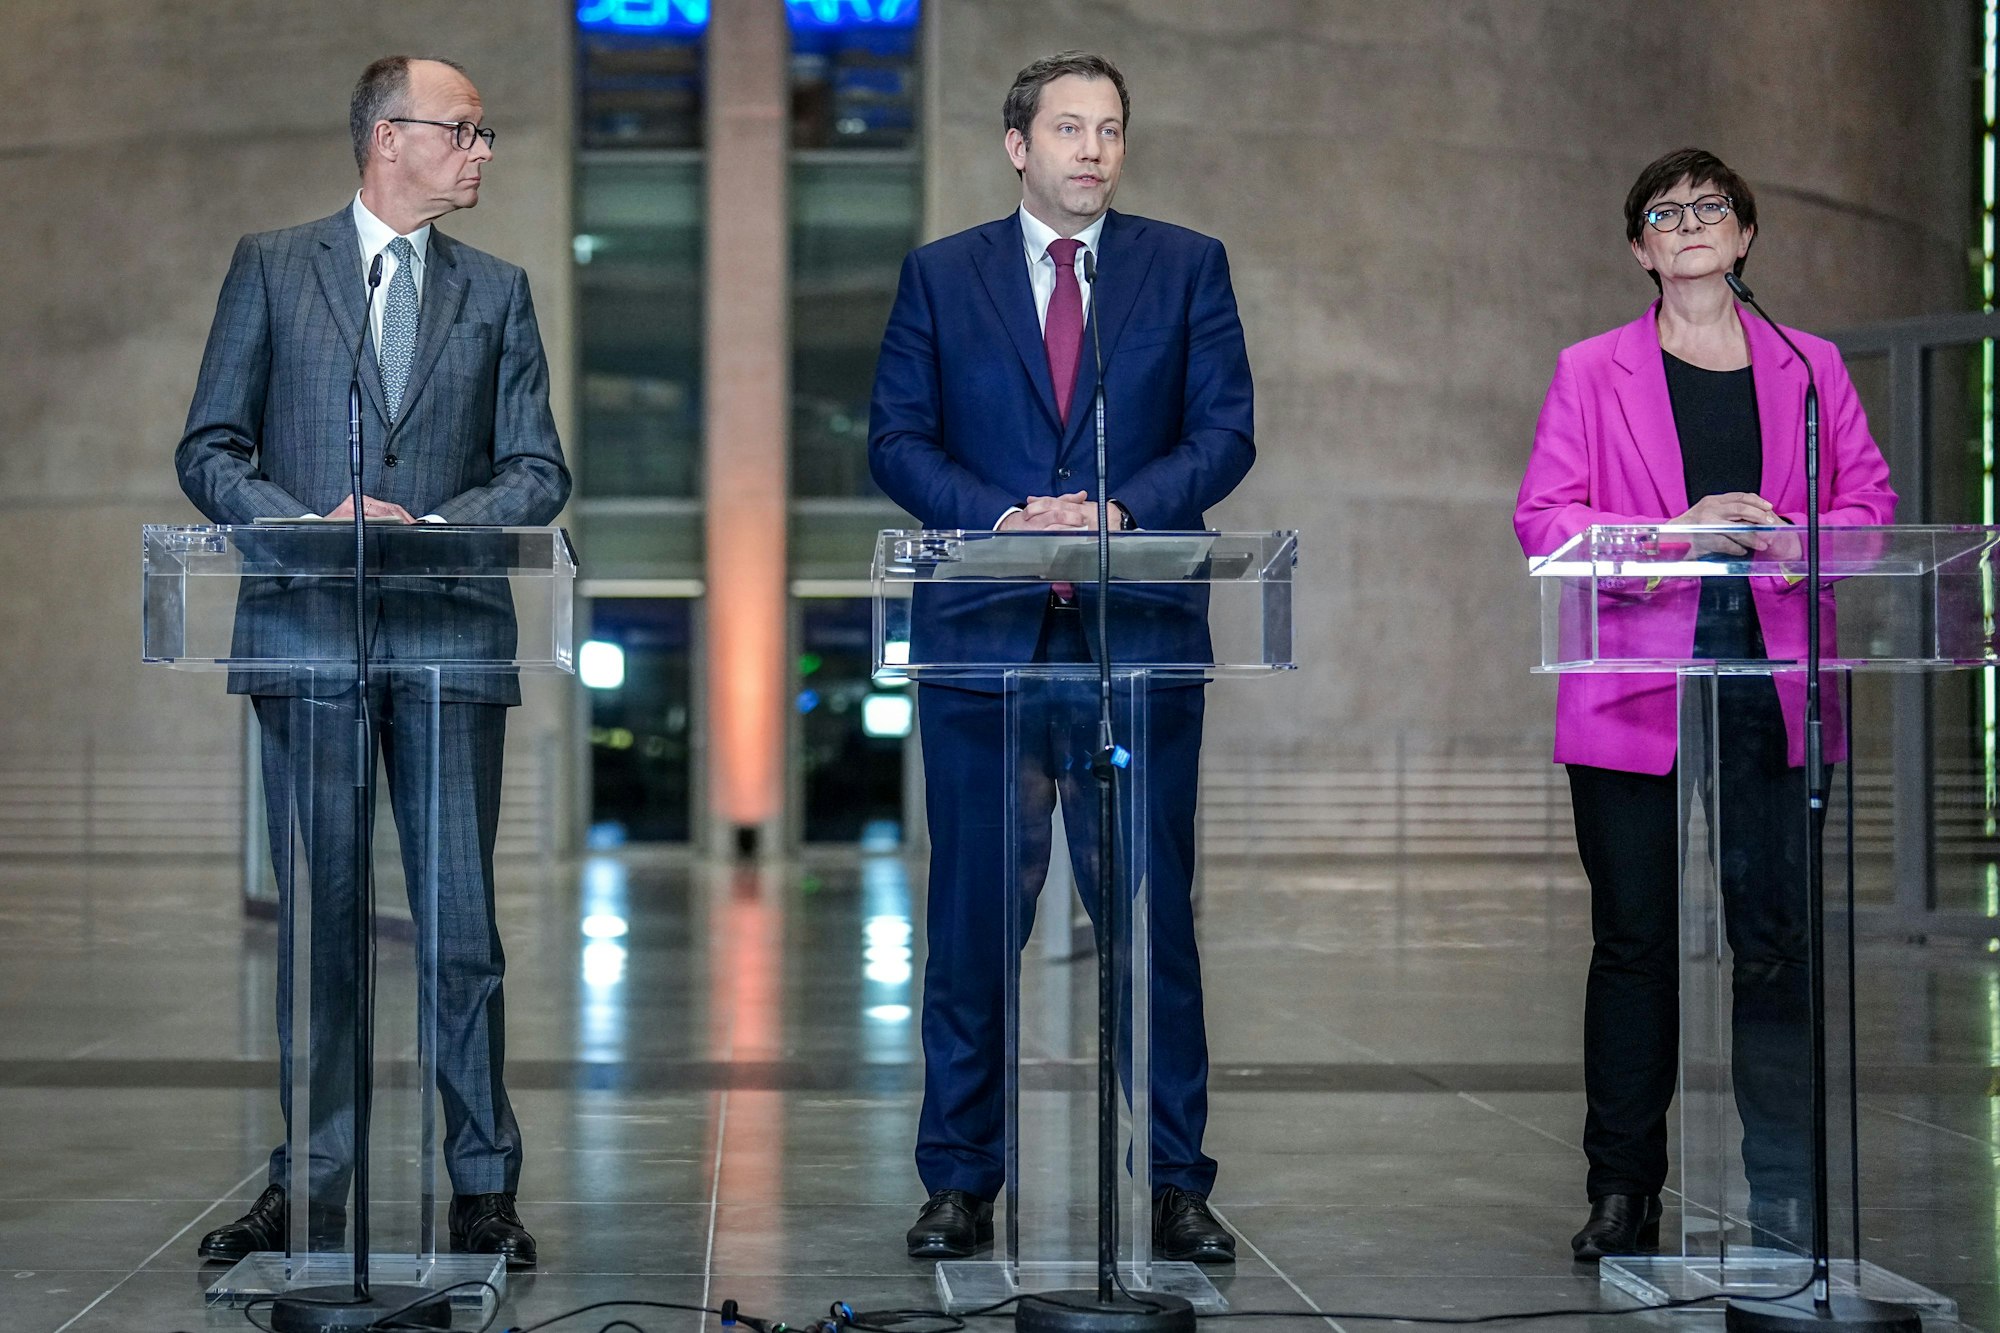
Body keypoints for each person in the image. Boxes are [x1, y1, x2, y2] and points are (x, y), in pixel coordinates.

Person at [175, 55, 570, 1269]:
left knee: (460, 934)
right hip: (306, 637)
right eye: (464, 130)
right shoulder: (271, 265)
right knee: (321, 933)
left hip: (450, 638)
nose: (482, 151)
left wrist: (435, 527)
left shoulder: (497, 291)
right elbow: (210, 447)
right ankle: (313, 1185)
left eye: (485, 133)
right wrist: (304, 527)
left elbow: (537, 471)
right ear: (386, 138)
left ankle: (482, 1191)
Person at [869, 51, 1254, 1265]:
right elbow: (895, 436)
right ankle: (959, 1180)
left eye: (1111, 130)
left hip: (1132, 641)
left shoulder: (1184, 265)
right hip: (981, 646)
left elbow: (1224, 429)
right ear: (1016, 146)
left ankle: (1178, 1182)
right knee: (974, 922)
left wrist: (1117, 515)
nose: (1093, 149)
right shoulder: (940, 276)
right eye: (1069, 129)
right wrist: (1005, 520)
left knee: (1150, 926)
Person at [1514, 148, 1894, 1262]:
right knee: (1631, 939)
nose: (1688, 225)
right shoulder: (1590, 369)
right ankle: (1623, 1188)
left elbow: (1867, 506)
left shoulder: (1806, 364)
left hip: (1772, 683)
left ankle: (1779, 1185)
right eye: (1663, 213)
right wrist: (1672, 536)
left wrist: (1789, 542)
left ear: (1742, 237)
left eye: (1709, 209)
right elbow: (1542, 520)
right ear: (1639, 248)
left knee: (1772, 939)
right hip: (1633, 680)